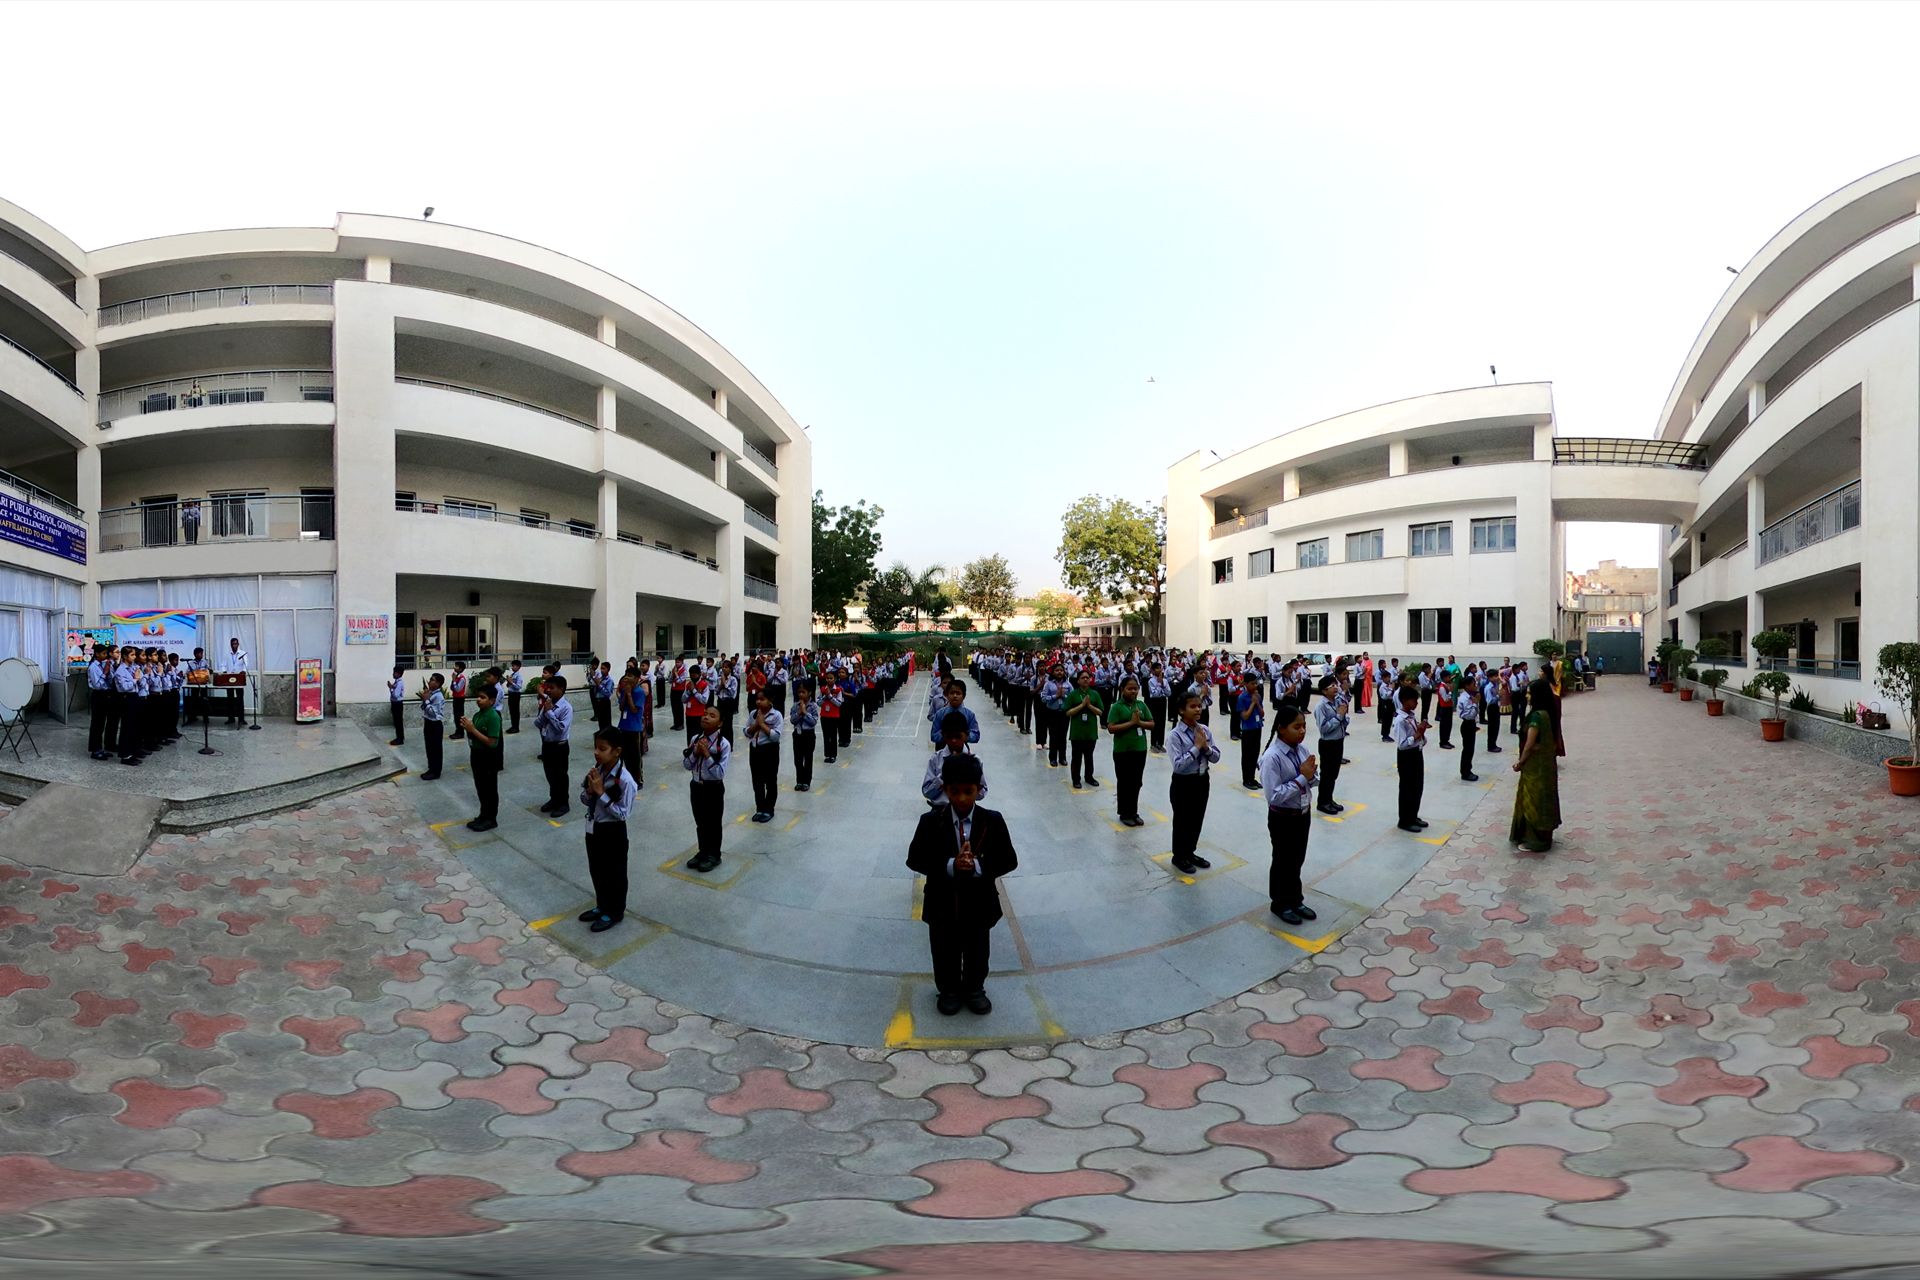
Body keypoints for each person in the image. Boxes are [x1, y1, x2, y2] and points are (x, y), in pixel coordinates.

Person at [906, 753, 1017, 1017]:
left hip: (980, 902)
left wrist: (978, 866)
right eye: (955, 792)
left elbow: (1008, 859)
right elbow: (915, 858)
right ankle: (948, 990)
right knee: (944, 949)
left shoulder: (993, 821)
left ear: (979, 790)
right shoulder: (930, 822)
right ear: (945, 790)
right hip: (942, 901)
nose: (963, 799)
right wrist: (950, 865)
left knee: (978, 948)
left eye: (969, 791)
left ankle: (975, 988)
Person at [1259, 701, 1318, 925]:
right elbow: (1274, 795)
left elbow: (1313, 781)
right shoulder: (1272, 758)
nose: (1302, 731)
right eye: (1296, 727)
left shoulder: (1301, 749)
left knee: (1297, 859)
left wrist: (1312, 775)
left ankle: (1296, 899)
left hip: (1302, 813)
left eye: (1304, 726)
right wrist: (1303, 777)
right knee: (1283, 860)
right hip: (1283, 817)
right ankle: (1280, 903)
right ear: (1282, 728)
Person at [578, 728, 639, 932]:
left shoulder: (626, 781)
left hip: (613, 832)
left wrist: (601, 793)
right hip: (594, 828)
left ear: (617, 751)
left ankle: (615, 912)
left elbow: (623, 814)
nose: (596, 752)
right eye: (596, 747)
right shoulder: (599, 770)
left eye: (602, 749)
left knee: (615, 874)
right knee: (597, 870)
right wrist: (589, 791)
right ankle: (602, 905)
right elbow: (585, 799)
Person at [1167, 691, 1219, 875]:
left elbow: (1216, 757)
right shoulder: (1175, 735)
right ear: (1182, 710)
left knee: (1197, 819)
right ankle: (1179, 856)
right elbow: (1179, 765)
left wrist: (1205, 746)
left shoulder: (1204, 730)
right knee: (1182, 820)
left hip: (1202, 780)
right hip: (1183, 783)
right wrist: (1197, 748)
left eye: (1199, 706)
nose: (1198, 709)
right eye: (1193, 706)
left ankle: (1190, 852)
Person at [1510, 677, 1562, 852]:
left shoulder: (1536, 717)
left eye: (1530, 693)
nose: (1527, 696)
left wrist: (1520, 762)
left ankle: (1535, 840)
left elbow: (1529, 744)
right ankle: (1544, 836)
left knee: (1532, 800)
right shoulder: (1548, 714)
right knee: (1544, 798)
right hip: (1545, 766)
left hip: (1534, 767)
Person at [682, 705, 730, 873]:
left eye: (712, 715)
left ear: (720, 723)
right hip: (696, 786)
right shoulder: (696, 739)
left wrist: (707, 755)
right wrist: (695, 752)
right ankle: (703, 851)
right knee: (700, 822)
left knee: (713, 823)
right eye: (704, 714)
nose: (706, 717)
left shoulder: (723, 744)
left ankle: (714, 855)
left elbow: (720, 773)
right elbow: (687, 765)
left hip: (713, 789)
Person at [1106, 674, 1152, 827]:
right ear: (1122, 689)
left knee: (1136, 782)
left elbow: (1152, 724)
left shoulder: (1141, 705)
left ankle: (1134, 811)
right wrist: (1132, 723)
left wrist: (1140, 723)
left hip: (1140, 748)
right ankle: (1124, 813)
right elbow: (1111, 728)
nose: (1133, 691)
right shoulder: (1116, 707)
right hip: (1122, 750)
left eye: (1135, 689)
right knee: (1124, 781)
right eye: (1129, 689)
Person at [924, 710, 987, 807]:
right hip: (940, 810)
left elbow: (982, 792)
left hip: (966, 810)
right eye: (949, 737)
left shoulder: (975, 761)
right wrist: (942, 778)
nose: (954, 740)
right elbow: (926, 792)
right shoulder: (936, 759)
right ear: (943, 736)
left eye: (958, 736)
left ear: (966, 735)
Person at [462, 685, 504, 831]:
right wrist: (468, 728)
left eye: (483, 697)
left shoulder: (493, 717)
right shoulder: (478, 715)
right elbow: (474, 735)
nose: (478, 700)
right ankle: (483, 814)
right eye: (478, 697)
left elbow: (492, 742)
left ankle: (491, 818)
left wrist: (472, 729)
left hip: (488, 757)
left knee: (489, 789)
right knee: (481, 787)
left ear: (492, 701)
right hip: (477, 755)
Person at [535, 676, 573, 816]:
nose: (548, 690)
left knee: (560, 776)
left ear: (561, 689)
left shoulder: (566, 708)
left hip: (560, 747)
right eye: (547, 688)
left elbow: (561, 728)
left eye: (552, 688)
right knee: (550, 774)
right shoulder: (548, 703)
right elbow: (538, 723)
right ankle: (554, 799)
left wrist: (550, 713)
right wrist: (545, 713)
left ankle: (563, 803)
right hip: (547, 745)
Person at [1393, 684, 1429, 832]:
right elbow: (1402, 744)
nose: (1416, 703)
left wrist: (1421, 736)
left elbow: (1418, 736)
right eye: (1414, 700)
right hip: (1406, 756)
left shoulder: (1411, 716)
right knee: (1407, 788)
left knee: (1417, 786)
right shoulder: (1400, 720)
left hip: (1416, 753)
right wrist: (1417, 735)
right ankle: (1404, 820)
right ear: (1405, 701)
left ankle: (1413, 815)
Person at [745, 688, 784, 822]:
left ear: (770, 700)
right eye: (757, 699)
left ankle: (769, 809)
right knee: (757, 781)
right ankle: (760, 808)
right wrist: (756, 725)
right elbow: (746, 732)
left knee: (770, 780)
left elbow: (776, 736)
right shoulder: (753, 714)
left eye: (762, 699)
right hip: (755, 750)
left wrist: (762, 724)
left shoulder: (777, 715)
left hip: (770, 750)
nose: (758, 702)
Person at [1313, 672, 1348, 815]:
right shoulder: (1321, 706)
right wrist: (1339, 716)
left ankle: (1329, 799)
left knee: (1334, 773)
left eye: (1335, 685)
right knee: (1327, 774)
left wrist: (1344, 717)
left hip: (1338, 741)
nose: (1335, 688)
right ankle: (1323, 802)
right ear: (1324, 691)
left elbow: (1345, 707)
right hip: (1328, 744)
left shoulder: (1337, 701)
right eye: (1331, 686)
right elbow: (1324, 728)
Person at [1064, 670, 1105, 789]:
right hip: (1077, 731)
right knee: (1076, 757)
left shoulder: (1094, 694)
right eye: (1083, 677)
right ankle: (1076, 779)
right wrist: (1081, 706)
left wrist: (1089, 706)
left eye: (1088, 677)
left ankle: (1089, 777)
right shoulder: (1073, 694)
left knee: (1089, 756)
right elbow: (1068, 712)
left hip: (1090, 731)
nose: (1086, 679)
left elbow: (1100, 712)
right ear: (1078, 680)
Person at [616, 673, 647, 787]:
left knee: (634, 757)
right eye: (626, 676)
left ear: (636, 678)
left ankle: (637, 780)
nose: (627, 678)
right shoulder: (625, 690)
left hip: (634, 728)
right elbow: (621, 707)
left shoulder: (639, 692)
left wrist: (629, 694)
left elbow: (634, 710)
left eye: (630, 676)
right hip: (623, 726)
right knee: (623, 755)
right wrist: (624, 694)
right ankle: (626, 779)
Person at [1236, 670, 1265, 789]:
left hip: (1257, 727)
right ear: (1246, 684)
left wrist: (1257, 703)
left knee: (1255, 754)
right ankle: (1246, 779)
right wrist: (1252, 704)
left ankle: (1252, 778)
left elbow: (1262, 713)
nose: (1255, 685)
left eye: (1256, 683)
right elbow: (1245, 716)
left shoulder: (1257, 696)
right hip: (1248, 729)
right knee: (1247, 755)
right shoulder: (1242, 698)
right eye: (1252, 683)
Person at [929, 680, 981, 746]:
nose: (955, 696)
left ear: (964, 696)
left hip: (962, 750)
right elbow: (933, 736)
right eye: (952, 693)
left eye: (958, 693)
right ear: (947, 695)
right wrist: (946, 735)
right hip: (942, 748)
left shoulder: (969, 715)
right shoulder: (940, 714)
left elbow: (976, 735)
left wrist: (965, 736)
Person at [1038, 664, 1070, 767]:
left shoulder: (1068, 684)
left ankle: (1062, 758)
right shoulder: (1048, 684)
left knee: (1063, 736)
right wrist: (1055, 696)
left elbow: (1073, 698)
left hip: (1064, 713)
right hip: (1052, 713)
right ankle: (1053, 758)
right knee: (1053, 735)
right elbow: (1043, 698)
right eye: (1057, 670)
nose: (1059, 672)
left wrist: (1064, 695)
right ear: (1053, 672)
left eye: (1061, 670)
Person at [86, 644, 114, 760]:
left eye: (106, 653)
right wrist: (105, 672)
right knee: (96, 724)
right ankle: (95, 750)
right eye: (103, 653)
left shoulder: (104, 664)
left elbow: (110, 681)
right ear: (97, 654)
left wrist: (110, 670)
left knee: (102, 723)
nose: (105, 656)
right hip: (98, 696)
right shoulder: (93, 667)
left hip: (106, 695)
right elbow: (97, 685)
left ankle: (100, 748)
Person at [789, 683, 818, 791]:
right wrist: (799, 713)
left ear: (809, 693)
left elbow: (813, 722)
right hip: (797, 734)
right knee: (798, 759)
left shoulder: (813, 706)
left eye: (803, 692)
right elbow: (792, 720)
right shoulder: (795, 706)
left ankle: (806, 781)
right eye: (799, 692)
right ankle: (799, 780)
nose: (801, 694)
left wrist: (805, 713)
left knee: (808, 758)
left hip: (808, 735)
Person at [419, 672, 446, 781]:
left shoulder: (438, 696)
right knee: (429, 748)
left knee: (435, 749)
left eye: (432, 680)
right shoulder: (431, 693)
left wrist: (426, 700)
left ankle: (436, 771)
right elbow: (423, 708)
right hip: (428, 723)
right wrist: (425, 699)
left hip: (435, 724)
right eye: (430, 679)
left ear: (438, 683)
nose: (429, 681)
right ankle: (431, 769)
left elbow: (434, 713)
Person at [1457, 675, 1481, 783]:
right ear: (1467, 686)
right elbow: (1469, 715)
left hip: (1470, 724)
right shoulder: (1465, 698)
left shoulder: (1470, 696)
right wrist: (1476, 703)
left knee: (1470, 749)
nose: (1475, 686)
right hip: (1467, 724)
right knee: (1467, 750)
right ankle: (1465, 772)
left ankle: (1468, 770)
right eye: (1473, 684)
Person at [219, 636, 248, 725]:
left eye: (235, 644)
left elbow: (245, 664)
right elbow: (223, 664)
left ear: (238, 644)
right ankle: (231, 718)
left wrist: (243, 671)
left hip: (239, 679)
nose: (234, 645)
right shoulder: (227, 654)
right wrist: (224, 671)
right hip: (229, 679)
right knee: (230, 700)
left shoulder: (242, 653)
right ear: (230, 645)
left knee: (240, 700)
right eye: (232, 644)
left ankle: (241, 719)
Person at [1145, 663, 1170, 753]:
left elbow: (1168, 693)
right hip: (1155, 702)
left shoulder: (1165, 681)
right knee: (1155, 722)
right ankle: (1153, 744)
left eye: (1160, 668)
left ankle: (1160, 743)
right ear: (1152, 670)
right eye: (1156, 668)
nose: (1159, 670)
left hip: (1163, 701)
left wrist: (1162, 684)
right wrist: (1160, 684)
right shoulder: (1151, 681)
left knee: (1162, 723)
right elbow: (1154, 693)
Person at [448, 661, 469, 741]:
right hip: (456, 698)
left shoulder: (462, 678)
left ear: (460, 669)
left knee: (459, 716)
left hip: (460, 699)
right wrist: (453, 680)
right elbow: (452, 687)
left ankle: (460, 733)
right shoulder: (457, 677)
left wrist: (453, 680)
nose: (454, 667)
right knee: (456, 716)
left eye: (456, 666)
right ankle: (457, 731)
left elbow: (457, 689)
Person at [387, 666, 407, 746]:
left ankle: (400, 739)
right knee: (397, 721)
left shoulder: (399, 683)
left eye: (394, 672)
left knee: (398, 722)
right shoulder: (397, 682)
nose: (393, 674)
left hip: (397, 704)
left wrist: (391, 688)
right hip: (395, 704)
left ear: (398, 674)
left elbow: (396, 695)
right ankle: (399, 737)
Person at [505, 659, 526, 734]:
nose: (512, 667)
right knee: (512, 711)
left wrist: (511, 682)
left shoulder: (519, 676)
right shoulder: (512, 675)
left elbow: (518, 687)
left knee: (515, 711)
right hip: (511, 694)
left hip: (515, 695)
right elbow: (509, 685)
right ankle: (513, 726)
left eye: (514, 666)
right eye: (512, 666)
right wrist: (508, 682)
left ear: (518, 667)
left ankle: (516, 727)